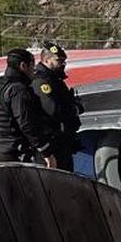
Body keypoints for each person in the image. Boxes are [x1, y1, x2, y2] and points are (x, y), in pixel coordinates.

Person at [0, 48, 59, 166]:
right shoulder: (18, 90)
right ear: (23, 66)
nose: (34, 70)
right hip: (17, 153)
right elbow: (26, 124)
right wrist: (46, 152)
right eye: (32, 66)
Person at [31, 42, 85, 172]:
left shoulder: (55, 80)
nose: (62, 64)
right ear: (46, 60)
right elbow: (53, 110)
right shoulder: (42, 82)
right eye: (58, 60)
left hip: (62, 141)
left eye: (63, 61)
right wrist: (73, 109)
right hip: (51, 142)